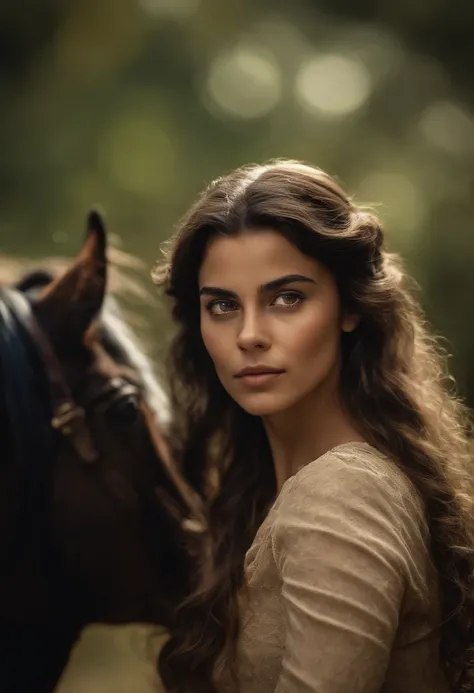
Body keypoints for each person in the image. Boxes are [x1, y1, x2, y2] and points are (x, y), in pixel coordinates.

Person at [152, 159, 474, 693]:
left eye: (287, 298)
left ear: (349, 306)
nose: (250, 334)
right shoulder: (269, 488)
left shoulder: (341, 493)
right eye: (224, 305)